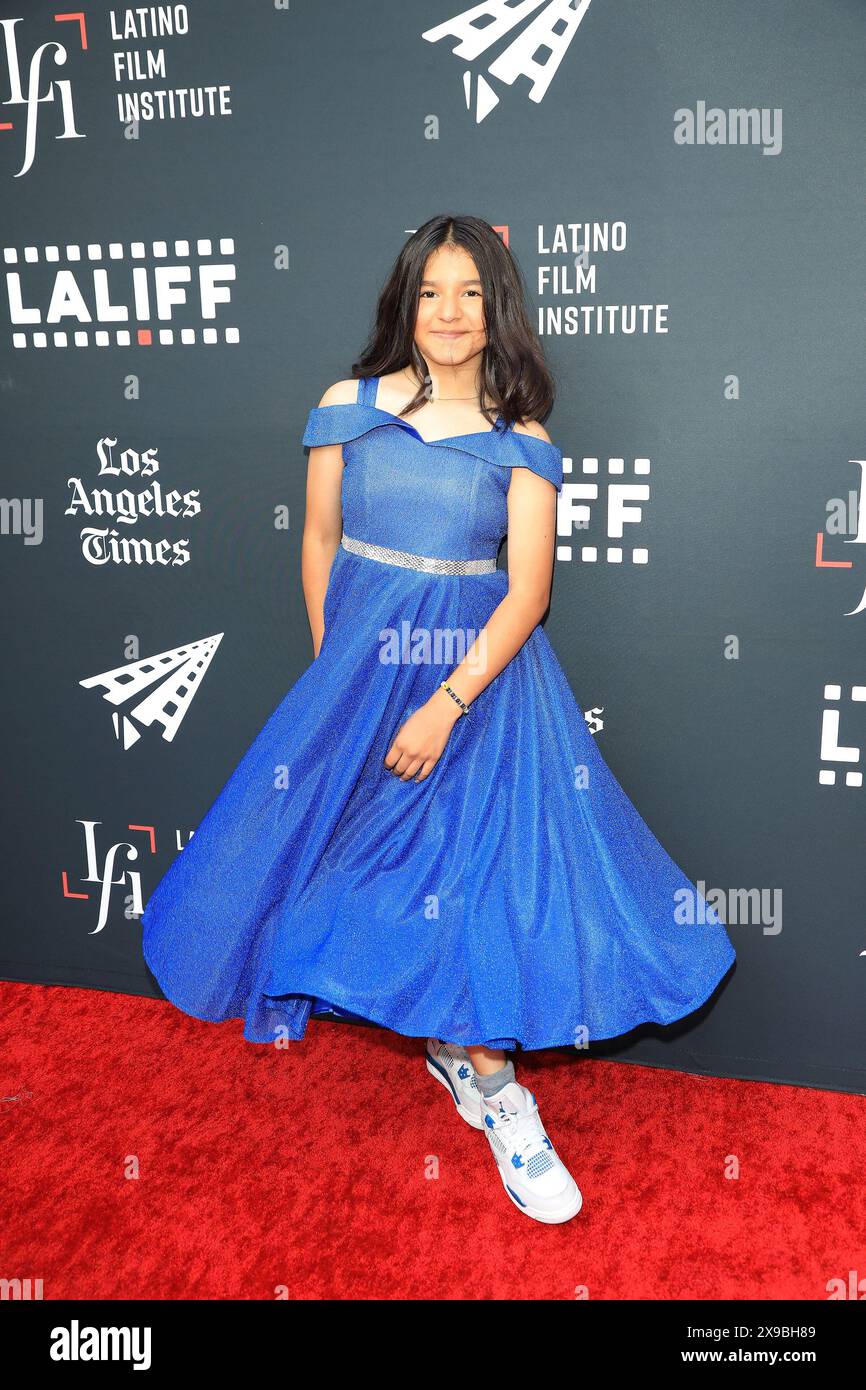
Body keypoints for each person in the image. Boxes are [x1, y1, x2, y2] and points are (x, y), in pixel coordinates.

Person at [141, 213, 736, 1226]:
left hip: (479, 676)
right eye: (429, 291)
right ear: (404, 302)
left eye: (468, 292)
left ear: (495, 306)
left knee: (475, 865)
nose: (448, 312)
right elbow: (320, 541)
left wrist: (444, 702)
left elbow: (525, 594)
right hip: (356, 668)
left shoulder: (523, 443)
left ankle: (495, 1083)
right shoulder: (346, 406)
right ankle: (452, 1048)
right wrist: (340, 675)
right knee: (342, 857)